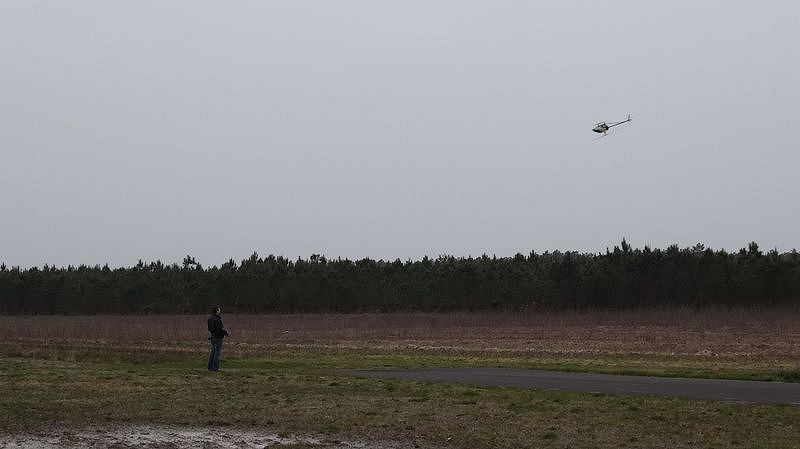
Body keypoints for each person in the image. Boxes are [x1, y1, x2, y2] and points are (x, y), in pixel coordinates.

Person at [207, 305, 229, 371]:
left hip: (212, 337)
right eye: (219, 309)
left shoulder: (210, 319)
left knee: (213, 352)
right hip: (218, 338)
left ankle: (210, 367)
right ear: (216, 311)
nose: (220, 311)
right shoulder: (217, 319)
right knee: (217, 353)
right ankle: (215, 368)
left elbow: (210, 328)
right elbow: (219, 329)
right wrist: (226, 333)